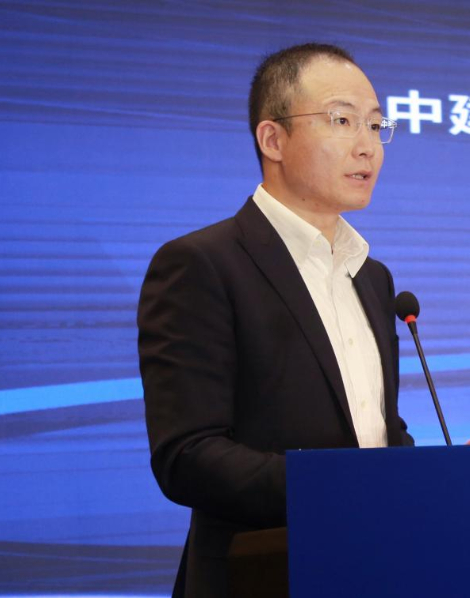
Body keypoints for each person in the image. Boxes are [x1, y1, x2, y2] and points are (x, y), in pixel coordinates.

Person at [137, 43, 414, 597]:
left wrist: (429, 480)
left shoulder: (372, 277)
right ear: (273, 140)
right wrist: (340, 487)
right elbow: (187, 456)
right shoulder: (201, 264)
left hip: (372, 568)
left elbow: (377, 430)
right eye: (342, 121)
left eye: (375, 125)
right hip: (259, 575)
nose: (367, 145)